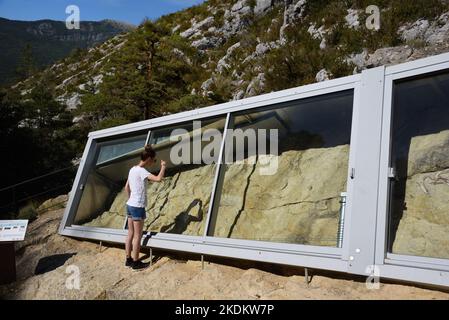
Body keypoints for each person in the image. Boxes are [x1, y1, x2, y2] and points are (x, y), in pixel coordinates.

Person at [124, 144, 166, 270]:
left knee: (130, 233)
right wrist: (163, 167)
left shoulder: (132, 169)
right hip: (137, 206)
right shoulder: (142, 171)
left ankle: (128, 259)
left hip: (130, 204)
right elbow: (158, 179)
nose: (154, 162)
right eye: (154, 160)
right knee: (138, 235)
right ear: (148, 159)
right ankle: (136, 263)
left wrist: (130, 199)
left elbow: (127, 187)